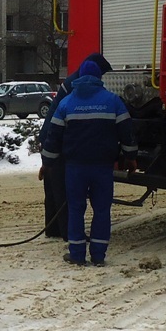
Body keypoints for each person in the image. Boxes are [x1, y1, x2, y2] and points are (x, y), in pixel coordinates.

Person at [40, 59, 136, 266]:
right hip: (102, 167)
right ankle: (99, 256)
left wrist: (47, 163)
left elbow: (53, 138)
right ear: (99, 78)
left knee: (75, 209)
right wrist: (130, 157)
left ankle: (77, 255)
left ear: (80, 77)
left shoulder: (66, 103)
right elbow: (127, 133)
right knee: (102, 210)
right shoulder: (113, 101)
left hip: (75, 168)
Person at [38, 52, 113, 238]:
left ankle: (53, 229)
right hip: (56, 140)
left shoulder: (73, 80)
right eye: (101, 73)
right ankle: (67, 233)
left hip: (49, 138)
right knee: (64, 191)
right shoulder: (78, 86)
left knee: (53, 188)